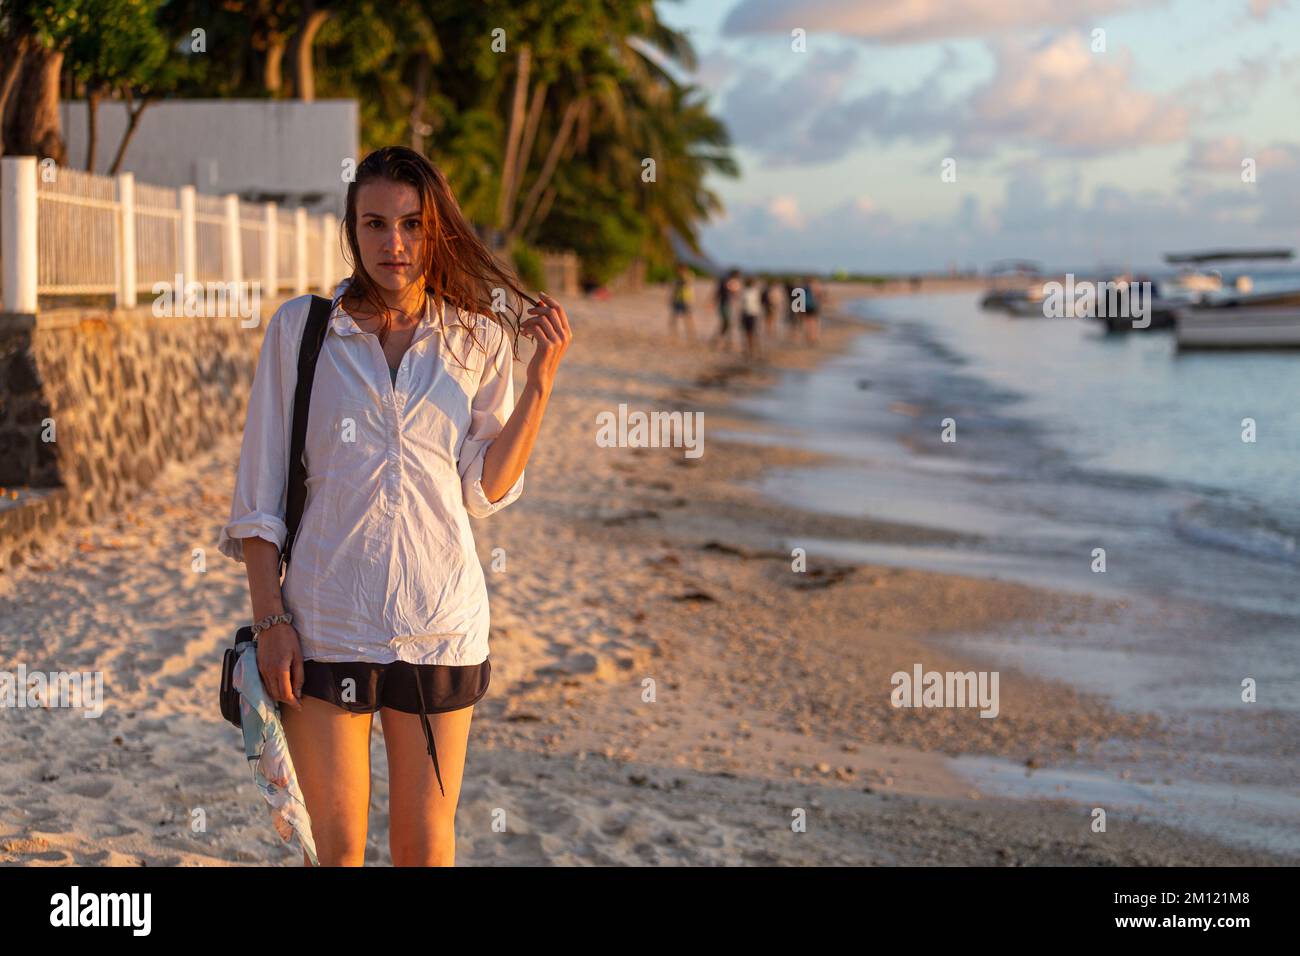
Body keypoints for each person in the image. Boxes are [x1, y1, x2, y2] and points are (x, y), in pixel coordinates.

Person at [218, 145, 573, 867]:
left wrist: (539, 385)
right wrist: (272, 621)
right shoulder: (302, 331)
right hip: (325, 621)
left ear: (435, 230)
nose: (395, 244)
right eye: (375, 223)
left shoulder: (477, 339)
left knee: (423, 848)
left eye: (412, 224)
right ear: (353, 229)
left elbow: (486, 490)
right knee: (338, 850)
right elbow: (258, 497)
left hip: (439, 624)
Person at [713, 267, 741, 351]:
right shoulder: (727, 282)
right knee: (727, 324)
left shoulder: (725, 281)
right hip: (725, 305)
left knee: (727, 324)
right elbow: (720, 293)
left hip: (727, 305)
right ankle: (723, 342)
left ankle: (723, 341)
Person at [668, 262, 697, 340]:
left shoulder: (689, 275)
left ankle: (691, 334)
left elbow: (687, 283)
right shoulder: (677, 277)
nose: (678, 271)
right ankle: (674, 335)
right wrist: (671, 298)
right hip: (677, 299)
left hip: (686, 300)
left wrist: (682, 276)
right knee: (674, 318)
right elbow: (675, 289)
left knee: (688, 318)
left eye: (679, 269)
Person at [739, 274, 762, 361]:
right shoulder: (746, 292)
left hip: (753, 314)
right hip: (747, 314)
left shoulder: (754, 291)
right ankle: (749, 349)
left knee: (753, 332)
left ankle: (754, 350)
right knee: (747, 333)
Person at [802, 274, 821, 346]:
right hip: (813, 307)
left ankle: (808, 337)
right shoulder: (815, 287)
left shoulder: (803, 288)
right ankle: (813, 338)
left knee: (807, 322)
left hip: (805, 307)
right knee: (814, 323)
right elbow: (818, 297)